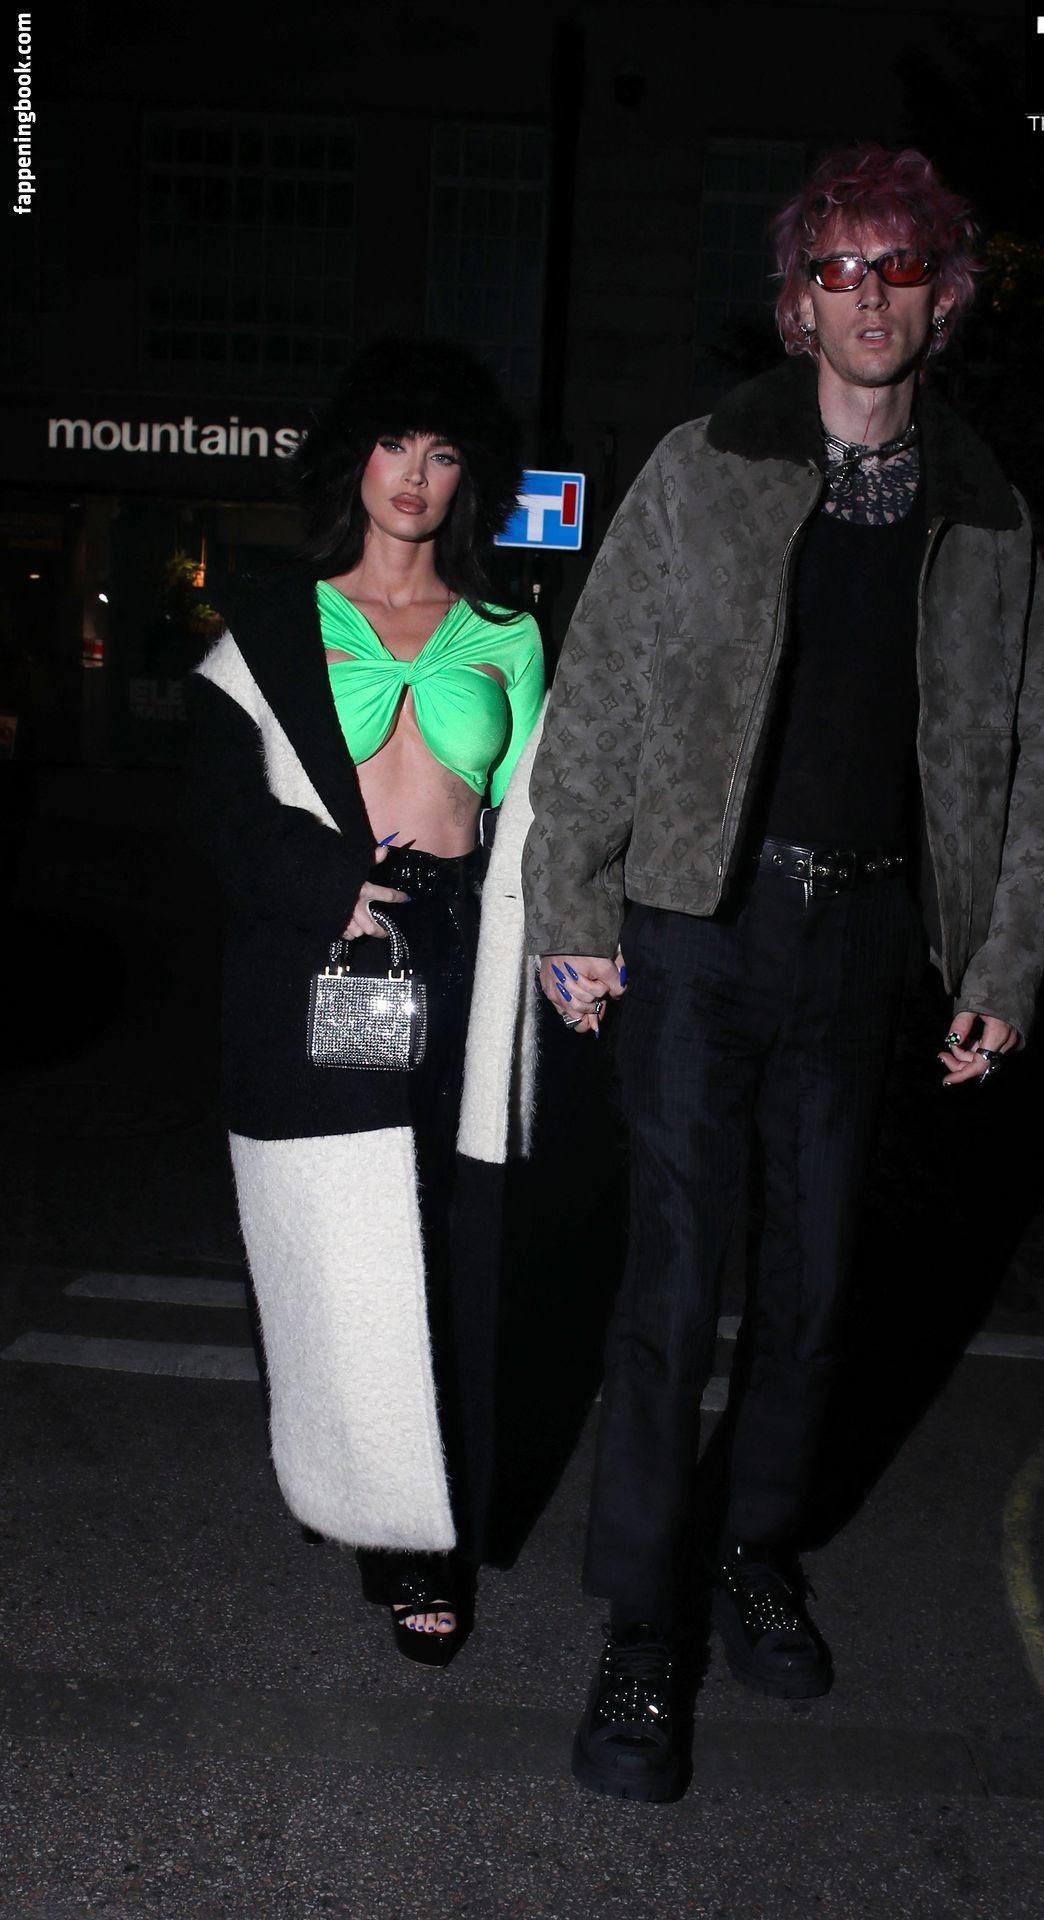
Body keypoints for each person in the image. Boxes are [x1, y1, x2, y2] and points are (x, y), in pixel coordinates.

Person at [522, 143, 1044, 1798]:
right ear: (799, 300)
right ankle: (643, 1630)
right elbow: (601, 689)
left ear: (941, 295)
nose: (867, 297)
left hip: (866, 940)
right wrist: (570, 904)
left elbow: (1038, 746)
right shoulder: (706, 464)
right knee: (673, 1286)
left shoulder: (986, 506)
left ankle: (752, 1548)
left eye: (898, 268)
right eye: (838, 269)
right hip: (699, 929)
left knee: (821, 1288)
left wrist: (1004, 952)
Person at [185, 337, 544, 1665]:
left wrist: (573, 948)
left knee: (451, 1244)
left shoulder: (509, 631)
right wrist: (326, 883)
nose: (416, 475)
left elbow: (543, 812)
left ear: (469, 476)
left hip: (462, 956)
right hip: (323, 953)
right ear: (355, 460)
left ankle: (426, 1512)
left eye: (443, 453)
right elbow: (215, 806)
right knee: (346, 1244)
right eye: (396, 445)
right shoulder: (277, 624)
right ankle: (389, 1523)